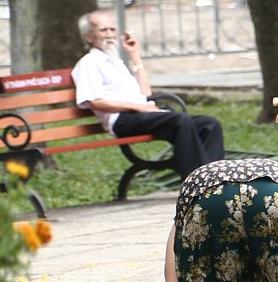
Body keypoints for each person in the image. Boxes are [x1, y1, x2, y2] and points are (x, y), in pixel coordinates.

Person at [71, 11, 225, 177]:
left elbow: (145, 93)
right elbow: (94, 102)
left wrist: (135, 56)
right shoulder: (89, 63)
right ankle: (197, 183)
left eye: (112, 29)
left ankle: (214, 178)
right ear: (88, 37)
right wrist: (138, 107)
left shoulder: (116, 62)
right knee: (181, 121)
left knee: (209, 124)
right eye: (103, 30)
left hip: (140, 114)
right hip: (121, 119)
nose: (109, 34)